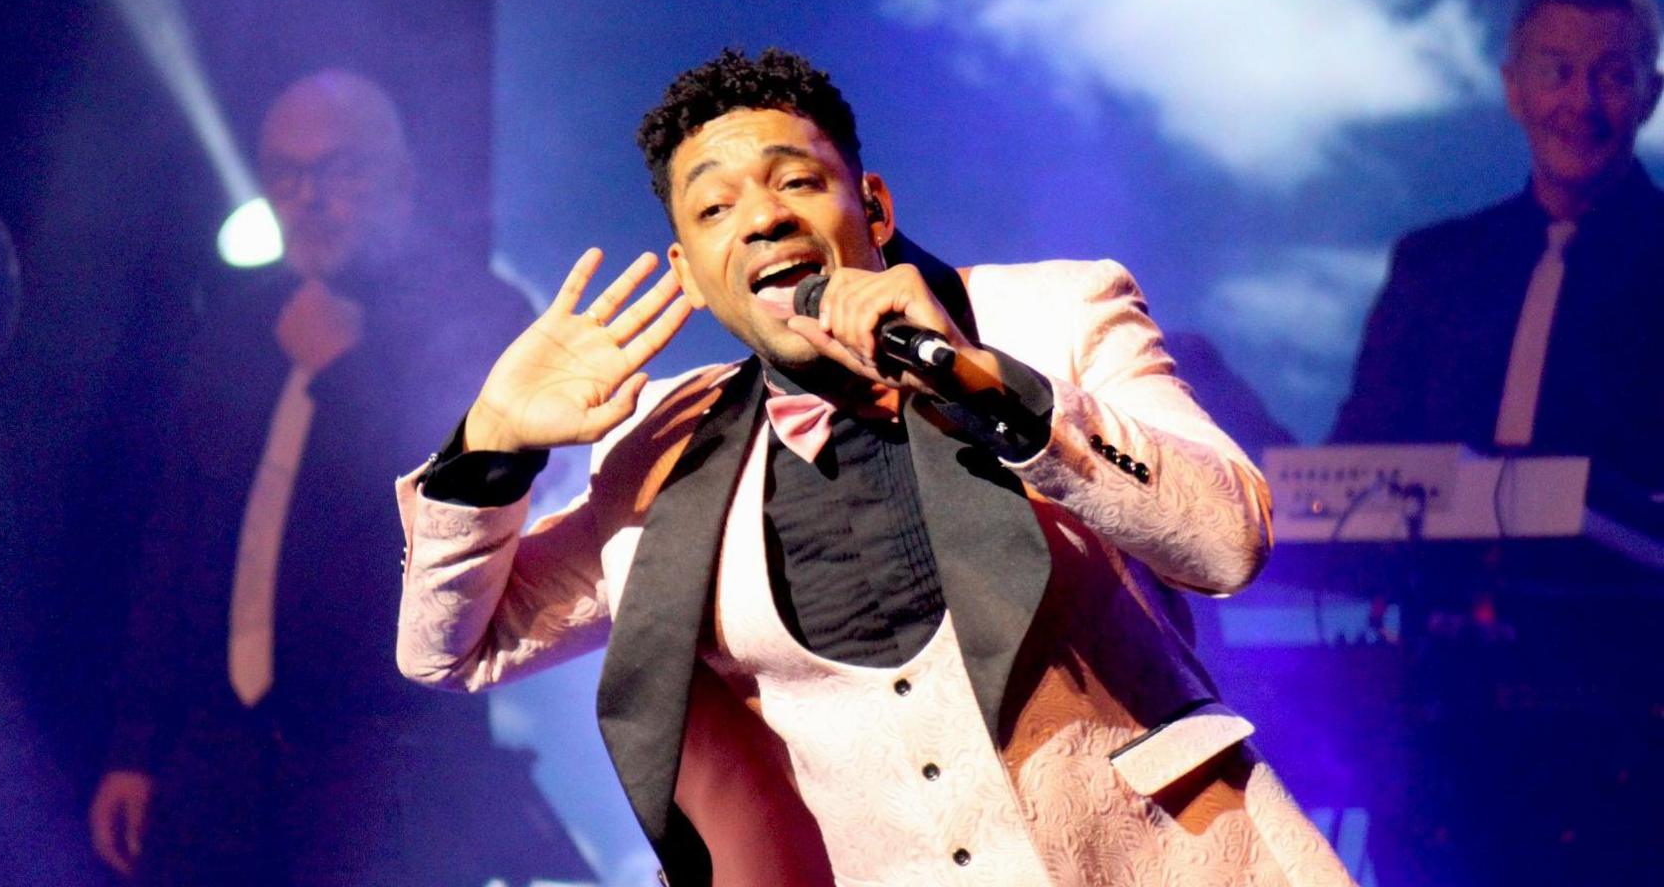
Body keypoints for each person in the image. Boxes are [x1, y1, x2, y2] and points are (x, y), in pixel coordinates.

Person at [396, 48, 1354, 886]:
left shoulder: (1051, 318)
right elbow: (452, 649)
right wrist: (492, 445)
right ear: (689, 272)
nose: (763, 219)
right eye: (717, 206)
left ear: (874, 206)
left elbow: (1228, 541)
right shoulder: (662, 449)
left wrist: (989, 388)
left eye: (797, 183)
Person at [88, 70, 590, 885]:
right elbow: (180, 546)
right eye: (285, 173)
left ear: (401, 181)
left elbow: (474, 513)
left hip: (387, 762)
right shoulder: (241, 322)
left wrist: (349, 369)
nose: (309, 197)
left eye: (340, 171)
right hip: (216, 755)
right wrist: (136, 746)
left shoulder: (475, 312)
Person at [1331, 0, 1664, 509]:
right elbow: (1357, 463)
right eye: (1557, 72)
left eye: (1612, 76)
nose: (1582, 103)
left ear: (1649, 96)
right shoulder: (1431, 269)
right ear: (1515, 90)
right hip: (1440, 594)